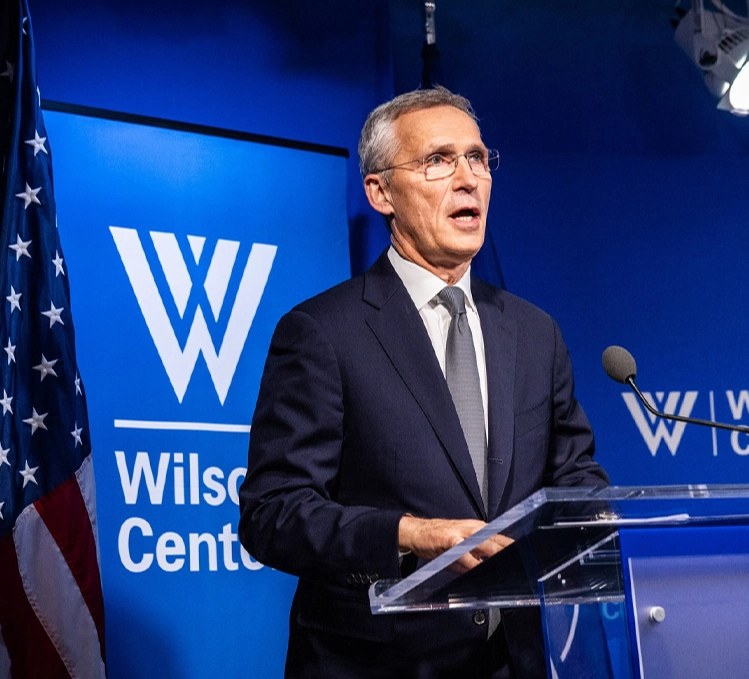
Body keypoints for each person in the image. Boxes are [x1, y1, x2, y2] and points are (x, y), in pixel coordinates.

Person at [238, 86, 609, 679]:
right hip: (378, 665)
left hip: (517, 663)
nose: (468, 180)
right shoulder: (323, 332)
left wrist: (605, 521)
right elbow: (273, 513)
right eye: (438, 160)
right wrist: (410, 534)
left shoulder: (534, 332)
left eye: (477, 158)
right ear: (380, 192)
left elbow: (574, 478)